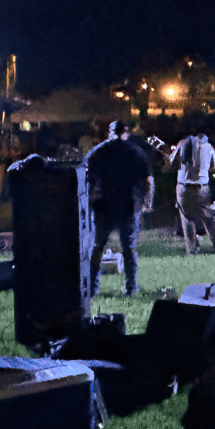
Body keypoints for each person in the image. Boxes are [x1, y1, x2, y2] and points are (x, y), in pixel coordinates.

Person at [82, 121, 151, 297]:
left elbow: (88, 178)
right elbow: (146, 180)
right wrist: (145, 202)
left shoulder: (98, 152)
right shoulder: (135, 152)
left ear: (110, 132)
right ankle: (130, 286)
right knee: (128, 248)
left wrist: (88, 201)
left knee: (97, 246)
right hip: (127, 205)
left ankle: (91, 287)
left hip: (103, 205)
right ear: (126, 133)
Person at [169, 127, 215, 255]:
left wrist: (173, 153)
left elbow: (172, 161)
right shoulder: (209, 148)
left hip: (184, 187)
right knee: (208, 217)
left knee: (187, 218)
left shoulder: (182, 143)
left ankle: (192, 249)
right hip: (202, 187)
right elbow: (213, 169)